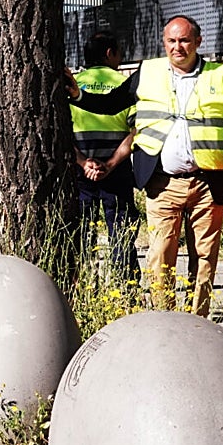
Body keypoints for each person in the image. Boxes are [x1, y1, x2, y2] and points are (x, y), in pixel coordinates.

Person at [66, 15, 223, 317]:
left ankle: (198, 324)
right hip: (163, 182)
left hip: (206, 181)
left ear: (198, 42)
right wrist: (78, 95)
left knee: (204, 259)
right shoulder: (148, 72)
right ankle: (164, 322)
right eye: (172, 41)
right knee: (160, 258)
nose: (178, 47)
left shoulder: (222, 75)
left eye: (184, 40)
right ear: (164, 43)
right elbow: (111, 104)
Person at [70, 32, 140, 281]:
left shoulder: (73, 84)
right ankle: (126, 288)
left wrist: (82, 162)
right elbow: (136, 130)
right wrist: (110, 164)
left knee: (81, 233)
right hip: (117, 169)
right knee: (122, 230)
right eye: (119, 53)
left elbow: (61, 131)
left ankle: (85, 284)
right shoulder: (125, 84)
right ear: (110, 53)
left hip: (80, 171)